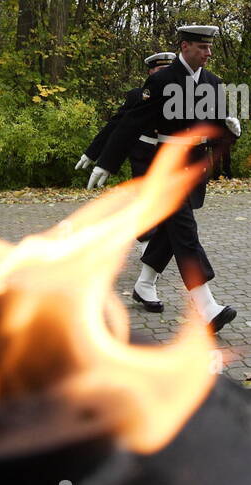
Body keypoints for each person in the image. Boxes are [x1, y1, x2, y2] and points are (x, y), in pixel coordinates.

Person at [87, 25, 241, 334]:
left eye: (210, 47)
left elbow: (214, 127)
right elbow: (131, 122)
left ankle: (144, 285)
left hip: (196, 165)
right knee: (184, 230)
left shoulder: (212, 83)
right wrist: (106, 161)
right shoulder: (161, 80)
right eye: (202, 47)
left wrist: (229, 130)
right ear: (185, 46)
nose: (208, 53)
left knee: (172, 230)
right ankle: (206, 306)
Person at [77, 51, 174, 181]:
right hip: (144, 158)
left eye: (169, 70)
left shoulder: (182, 98)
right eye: (161, 70)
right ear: (150, 72)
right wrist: (92, 153)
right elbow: (116, 125)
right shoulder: (138, 96)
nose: (165, 74)